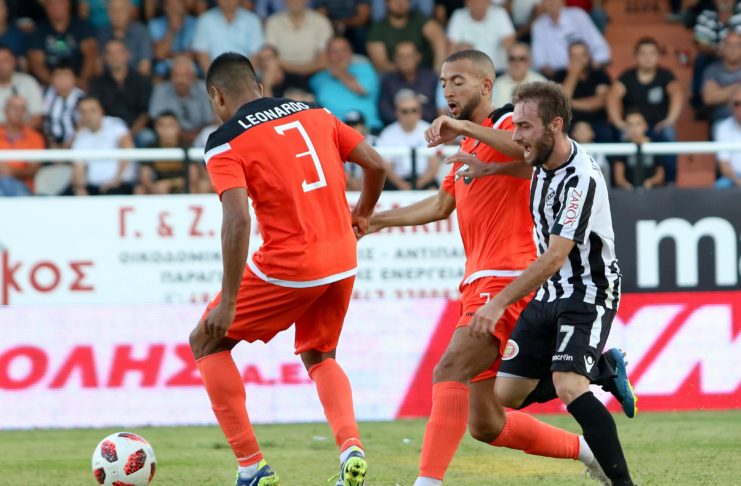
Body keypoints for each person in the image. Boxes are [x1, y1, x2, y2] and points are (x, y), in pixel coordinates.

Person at [366, 50, 614, 486]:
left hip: (507, 276)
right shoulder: (470, 143)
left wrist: (463, 128)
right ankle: (586, 447)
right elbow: (441, 204)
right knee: (485, 423)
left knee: (449, 369)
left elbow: (527, 155)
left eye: (457, 81)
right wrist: (375, 221)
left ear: (485, 85)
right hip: (476, 280)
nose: (447, 90)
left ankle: (427, 482)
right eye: (443, 82)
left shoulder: (509, 125)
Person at [189, 52, 386, 486]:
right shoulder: (315, 112)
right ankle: (351, 448)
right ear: (259, 88)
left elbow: (237, 219)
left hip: (291, 263)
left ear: (217, 96)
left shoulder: (224, 140)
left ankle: (252, 468)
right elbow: (376, 164)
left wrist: (229, 300)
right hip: (342, 257)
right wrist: (363, 214)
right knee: (321, 355)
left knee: (206, 340)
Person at [469, 80, 636, 486]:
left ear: (555, 125)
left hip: (588, 291)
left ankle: (622, 482)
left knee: (568, 386)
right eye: (516, 125)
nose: (516, 136)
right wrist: (491, 168)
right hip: (550, 293)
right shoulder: (542, 158)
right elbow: (525, 164)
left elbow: (555, 256)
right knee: (506, 395)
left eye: (524, 126)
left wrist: (497, 303)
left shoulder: (581, 178)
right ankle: (603, 367)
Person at [309, 36, 382, 131]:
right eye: (334, 51)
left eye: (343, 50)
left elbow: (362, 90)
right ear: (327, 55)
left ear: (351, 52)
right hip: (333, 131)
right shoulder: (318, 78)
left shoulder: (364, 68)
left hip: (368, 129)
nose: (340, 55)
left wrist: (340, 73)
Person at [67, 95, 136, 196]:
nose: (87, 115)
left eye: (92, 110)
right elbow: (78, 167)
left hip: (119, 184)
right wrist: (80, 188)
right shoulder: (80, 136)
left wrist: (117, 179)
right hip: (92, 187)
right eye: (83, 111)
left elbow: (127, 147)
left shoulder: (115, 125)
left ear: (101, 111)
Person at [89, 39, 153, 147]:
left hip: (136, 132)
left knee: (147, 137)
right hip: (106, 132)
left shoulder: (141, 81)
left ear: (128, 55)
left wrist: (129, 135)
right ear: (104, 58)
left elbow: (145, 113)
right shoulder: (97, 83)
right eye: (110, 53)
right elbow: (95, 111)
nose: (115, 57)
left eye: (119, 52)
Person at [375, 89, 440, 189]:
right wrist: (402, 185)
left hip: (425, 180)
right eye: (404, 111)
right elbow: (386, 167)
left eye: (414, 110)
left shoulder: (430, 130)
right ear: (397, 112)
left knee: (434, 190)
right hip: (397, 182)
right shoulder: (387, 134)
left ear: (420, 111)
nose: (409, 115)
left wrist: (420, 183)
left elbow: (434, 164)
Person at [265, 0, 334, 93]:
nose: (295, 1)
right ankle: (266, 102)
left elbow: (323, 62)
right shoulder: (273, 22)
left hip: (314, 73)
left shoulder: (321, 22)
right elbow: (270, 54)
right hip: (282, 74)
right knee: (270, 71)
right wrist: (277, 67)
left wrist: (284, 65)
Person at [27, 0, 98, 89]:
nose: (55, 7)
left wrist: (82, 80)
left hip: (81, 81)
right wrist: (56, 83)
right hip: (51, 85)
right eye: (51, 4)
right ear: (45, 7)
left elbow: (90, 56)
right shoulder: (39, 31)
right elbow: (37, 64)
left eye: (59, 3)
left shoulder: (82, 26)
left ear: (68, 4)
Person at [530, 0, 610, 77]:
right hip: (557, 76)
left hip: (586, 70)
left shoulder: (578, 16)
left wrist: (592, 65)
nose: (552, 2)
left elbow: (601, 48)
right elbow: (539, 61)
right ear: (543, 3)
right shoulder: (538, 26)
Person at [366, 0, 447, 73]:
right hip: (394, 77)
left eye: (404, 0)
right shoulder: (378, 29)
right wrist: (407, 68)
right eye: (395, 1)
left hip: (425, 74)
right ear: (387, 3)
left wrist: (437, 70)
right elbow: (381, 64)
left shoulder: (418, 19)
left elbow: (438, 37)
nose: (400, 3)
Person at [554, 41, 613, 142]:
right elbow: (561, 101)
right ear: (568, 58)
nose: (578, 60)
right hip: (569, 123)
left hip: (596, 122)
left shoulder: (600, 75)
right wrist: (574, 73)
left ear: (588, 56)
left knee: (607, 133)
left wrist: (570, 103)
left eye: (582, 55)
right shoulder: (559, 75)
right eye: (574, 56)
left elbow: (600, 102)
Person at [149, 55, 215, 145]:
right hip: (171, 136)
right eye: (176, 75)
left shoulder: (204, 89)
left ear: (193, 77)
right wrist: (181, 134)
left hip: (199, 136)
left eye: (185, 75)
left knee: (209, 133)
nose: (180, 80)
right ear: (171, 76)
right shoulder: (161, 90)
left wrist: (195, 135)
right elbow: (157, 120)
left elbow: (210, 120)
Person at [378, 41, 438, 124]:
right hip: (396, 127)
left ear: (418, 57)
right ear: (395, 58)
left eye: (409, 56)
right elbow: (385, 110)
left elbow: (435, 108)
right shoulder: (388, 80)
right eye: (401, 57)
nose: (405, 60)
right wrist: (406, 120)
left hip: (427, 126)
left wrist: (413, 119)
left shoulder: (430, 78)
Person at [446, 0, 515, 71]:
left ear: (488, 2)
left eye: (481, 2)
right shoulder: (458, 15)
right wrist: (461, 50)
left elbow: (510, 43)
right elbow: (451, 49)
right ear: (466, 3)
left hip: (497, 69)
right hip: (469, 71)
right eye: (475, 2)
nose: (478, 6)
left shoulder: (499, 13)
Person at [0, 95, 45, 196]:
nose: (19, 112)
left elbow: (32, 170)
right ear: (5, 110)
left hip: (23, 187)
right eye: (15, 108)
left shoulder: (35, 137)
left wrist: (10, 171)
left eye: (23, 109)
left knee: (6, 183)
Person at [610, 110, 666, 190]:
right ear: (626, 128)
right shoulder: (622, 147)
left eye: (638, 124)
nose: (634, 128)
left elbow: (660, 175)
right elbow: (619, 178)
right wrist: (627, 186)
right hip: (628, 192)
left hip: (652, 192)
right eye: (630, 124)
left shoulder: (655, 146)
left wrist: (651, 182)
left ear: (645, 126)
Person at [97, 0, 153, 76]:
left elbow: (145, 66)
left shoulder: (141, 32)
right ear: (108, 13)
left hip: (137, 80)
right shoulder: (102, 33)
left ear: (129, 11)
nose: (117, 14)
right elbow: (99, 66)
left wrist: (132, 82)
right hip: (108, 81)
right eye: (113, 10)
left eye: (121, 9)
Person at [148, 0, 197, 79]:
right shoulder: (155, 24)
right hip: (163, 74)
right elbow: (159, 54)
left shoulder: (195, 23)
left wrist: (170, 55)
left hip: (190, 72)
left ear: (184, 5)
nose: (174, 8)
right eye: (170, 4)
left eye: (177, 3)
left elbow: (195, 54)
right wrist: (172, 30)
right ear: (164, 7)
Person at [0, 44, 44, 130]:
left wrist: (13, 133)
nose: (1, 65)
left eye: (5, 60)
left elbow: (37, 119)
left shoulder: (28, 82)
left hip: (22, 135)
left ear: (14, 61)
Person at [42, 62, 85, 148]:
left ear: (74, 79)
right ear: (51, 78)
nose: (62, 79)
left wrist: (70, 144)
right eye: (58, 75)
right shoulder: (44, 95)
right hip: (49, 145)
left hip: (76, 145)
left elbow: (84, 124)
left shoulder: (82, 98)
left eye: (66, 75)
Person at [492, 42, 546, 107]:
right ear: (507, 61)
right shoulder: (497, 85)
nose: (516, 63)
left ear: (529, 62)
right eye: (512, 58)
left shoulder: (541, 83)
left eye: (522, 59)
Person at [713, 87, 741, 187]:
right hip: (733, 178)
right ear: (731, 106)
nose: (740, 107)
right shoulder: (722, 127)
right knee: (719, 187)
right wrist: (738, 181)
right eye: (737, 103)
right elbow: (724, 165)